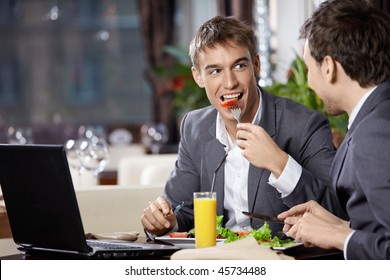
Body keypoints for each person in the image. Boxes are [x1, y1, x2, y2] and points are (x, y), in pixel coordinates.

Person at [141, 15, 346, 237]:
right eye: (215, 71)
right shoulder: (194, 127)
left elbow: (337, 214)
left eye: (239, 66)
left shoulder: (304, 125)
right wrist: (165, 221)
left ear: (255, 65)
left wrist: (280, 163)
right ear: (198, 77)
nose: (230, 83)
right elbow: (182, 211)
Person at [277, 0, 390, 260]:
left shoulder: (374, 133)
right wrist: (339, 225)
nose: (308, 81)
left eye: (308, 69)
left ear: (328, 67)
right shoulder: (375, 114)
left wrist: (339, 237)